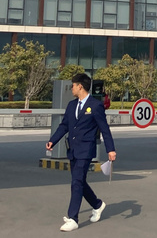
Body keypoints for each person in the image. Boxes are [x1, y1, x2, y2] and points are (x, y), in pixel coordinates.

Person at [47, 73, 118, 231]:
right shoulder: (72, 105)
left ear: (80, 86)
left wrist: (111, 149)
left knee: (76, 182)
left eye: (73, 85)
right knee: (79, 181)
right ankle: (97, 204)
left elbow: (104, 129)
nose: (71, 88)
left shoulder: (95, 105)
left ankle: (73, 218)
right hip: (73, 149)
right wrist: (53, 141)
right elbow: (64, 125)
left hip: (86, 150)